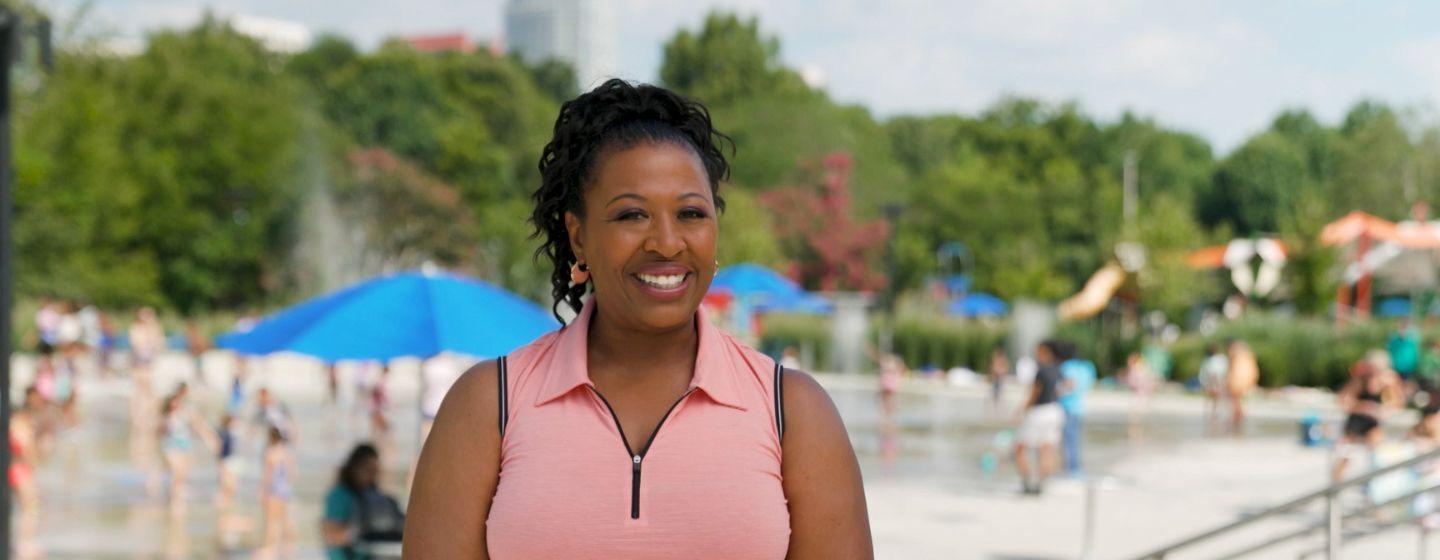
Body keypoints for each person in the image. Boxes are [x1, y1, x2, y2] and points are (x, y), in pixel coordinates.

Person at [405, 79, 871, 558]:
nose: (667, 243)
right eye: (631, 215)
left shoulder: (792, 412)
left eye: (691, 213)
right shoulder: (488, 406)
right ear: (579, 235)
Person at [1332, 350, 1403, 483]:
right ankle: (1336, 483)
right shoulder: (1361, 379)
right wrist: (1363, 406)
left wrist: (1384, 411)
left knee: (1377, 452)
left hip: (1372, 422)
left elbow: (1397, 402)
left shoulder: (1388, 380)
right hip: (1356, 420)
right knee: (1346, 453)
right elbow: (1343, 400)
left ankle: (1374, 484)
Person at [325, 444, 405, 559]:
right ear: (354, 468)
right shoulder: (339, 495)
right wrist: (357, 531)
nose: (372, 475)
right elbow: (331, 535)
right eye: (368, 470)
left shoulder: (374, 495)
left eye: (375, 471)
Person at [1014, 341, 1064, 495]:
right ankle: (1042, 484)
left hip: (1039, 412)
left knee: (1020, 446)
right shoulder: (1057, 369)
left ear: (1044, 352)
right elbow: (1067, 385)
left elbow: (1035, 393)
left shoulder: (1041, 371)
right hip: (1055, 410)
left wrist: (1022, 409)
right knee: (1047, 448)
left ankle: (1027, 482)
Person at [1057, 341, 1096, 477]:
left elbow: (1069, 385)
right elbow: (1089, 384)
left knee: (1068, 440)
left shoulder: (1067, 366)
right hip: (1080, 406)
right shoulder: (1088, 366)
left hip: (1067, 407)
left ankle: (1071, 470)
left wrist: (1054, 392)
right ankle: (1075, 468)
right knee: (1075, 440)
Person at [258, 426, 296, 559]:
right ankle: (287, 549)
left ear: (270, 437)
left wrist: (263, 492)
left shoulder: (271, 452)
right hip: (285, 491)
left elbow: (268, 476)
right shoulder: (286, 452)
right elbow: (291, 474)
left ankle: (270, 549)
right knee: (285, 522)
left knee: (271, 522)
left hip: (274, 491)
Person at [1226, 339, 1260, 434]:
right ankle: (1238, 418)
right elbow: (1253, 367)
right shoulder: (1248, 353)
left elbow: (1231, 366)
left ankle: (1236, 419)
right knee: (1238, 400)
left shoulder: (1233, 352)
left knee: (1234, 400)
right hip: (1246, 378)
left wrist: (1227, 379)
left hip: (1237, 378)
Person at [1198, 343, 1230, 430]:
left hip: (1216, 381)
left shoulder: (1216, 360)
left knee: (1215, 399)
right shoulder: (1219, 359)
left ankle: (1214, 415)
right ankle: (1213, 415)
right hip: (1214, 381)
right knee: (1214, 399)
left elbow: (1204, 373)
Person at [1388, 318, 1422, 383]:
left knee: (1406, 383)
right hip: (1396, 366)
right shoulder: (1394, 339)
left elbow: (1415, 353)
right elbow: (1390, 350)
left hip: (1408, 367)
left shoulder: (1412, 339)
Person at [987, 344, 1010, 415]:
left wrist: (1000, 372)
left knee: (999, 395)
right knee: (994, 395)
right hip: (996, 379)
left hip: (1000, 379)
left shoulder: (1002, 359)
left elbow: (1005, 368)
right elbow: (992, 368)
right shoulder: (996, 359)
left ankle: (999, 411)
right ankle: (994, 411)